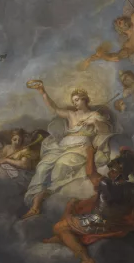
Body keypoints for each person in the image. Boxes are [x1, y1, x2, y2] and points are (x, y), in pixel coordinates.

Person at [45, 145, 134, 263]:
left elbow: (90, 172)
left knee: (58, 227)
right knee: (73, 205)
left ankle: (86, 259)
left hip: (97, 222)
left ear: (118, 172)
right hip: (116, 223)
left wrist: (90, 153)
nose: (109, 172)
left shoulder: (105, 183)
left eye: (112, 170)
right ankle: (63, 237)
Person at [23, 84, 112, 218]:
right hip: (62, 146)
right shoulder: (71, 114)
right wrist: (43, 92)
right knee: (42, 167)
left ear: (84, 99)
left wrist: (94, 122)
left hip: (80, 147)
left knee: (61, 165)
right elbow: (54, 108)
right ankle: (35, 205)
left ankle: (42, 198)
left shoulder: (94, 115)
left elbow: (106, 130)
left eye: (77, 100)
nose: (74, 103)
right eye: (73, 101)